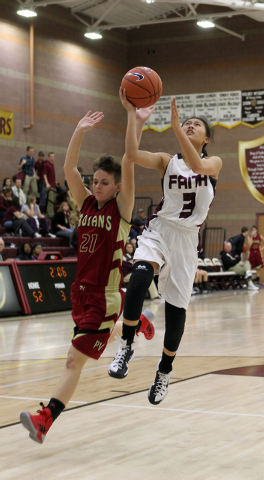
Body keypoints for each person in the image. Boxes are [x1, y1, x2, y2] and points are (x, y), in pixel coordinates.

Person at [20, 106, 155, 444]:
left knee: (72, 361)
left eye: (104, 182)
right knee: (89, 349)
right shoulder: (86, 204)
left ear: (117, 187)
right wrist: (79, 130)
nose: (96, 186)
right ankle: (135, 323)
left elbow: (128, 160)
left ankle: (45, 419)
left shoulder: (121, 209)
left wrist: (134, 121)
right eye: (94, 181)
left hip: (104, 296)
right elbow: (68, 168)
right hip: (81, 294)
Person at [108, 91, 222, 405]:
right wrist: (134, 117)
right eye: (186, 123)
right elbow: (130, 154)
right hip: (160, 230)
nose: (188, 126)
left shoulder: (213, 163)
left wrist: (174, 128)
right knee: (140, 276)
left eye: (196, 125)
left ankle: (164, 371)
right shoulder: (165, 161)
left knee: (175, 315)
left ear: (207, 138)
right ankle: (127, 346)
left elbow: (197, 164)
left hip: (186, 242)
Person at [43, 152, 57, 218]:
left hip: (53, 185)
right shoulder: (46, 164)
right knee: (50, 201)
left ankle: (50, 214)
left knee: (53, 201)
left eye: (53, 157)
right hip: (50, 186)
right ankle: (50, 215)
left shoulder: (52, 165)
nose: (52, 158)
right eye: (51, 157)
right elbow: (44, 174)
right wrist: (47, 183)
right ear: (48, 157)